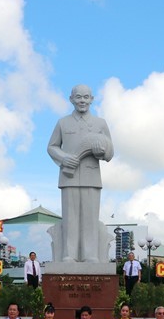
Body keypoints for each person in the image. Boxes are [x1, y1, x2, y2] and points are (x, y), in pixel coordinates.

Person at [47, 84, 114, 262]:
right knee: (70, 219)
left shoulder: (100, 123)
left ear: (92, 99)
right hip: (68, 177)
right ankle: (69, 254)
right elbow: (52, 147)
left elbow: (110, 152)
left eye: (86, 97)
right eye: (78, 97)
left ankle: (90, 254)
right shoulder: (63, 122)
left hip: (91, 177)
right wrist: (63, 158)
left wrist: (102, 152)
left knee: (90, 219)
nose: (82, 101)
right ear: (71, 99)